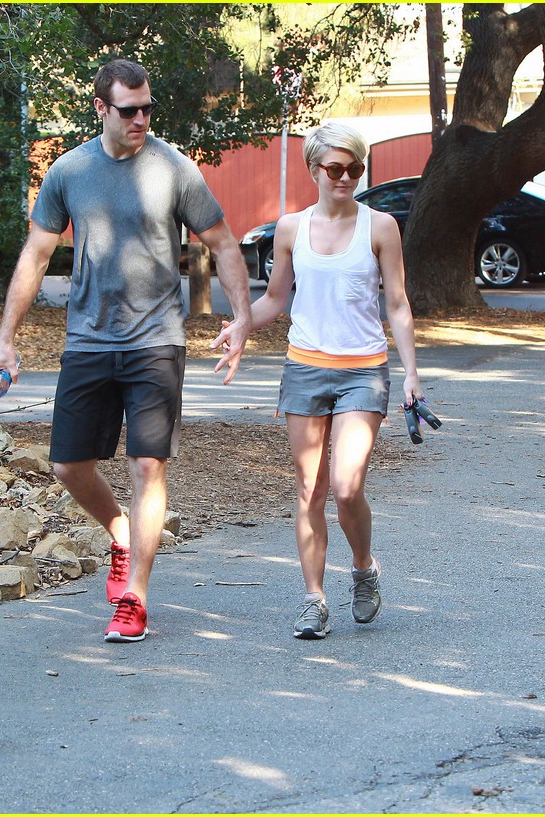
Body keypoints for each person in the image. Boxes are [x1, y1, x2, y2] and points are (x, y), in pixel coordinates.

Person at [0, 58, 251, 644]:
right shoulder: (68, 171)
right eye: (128, 109)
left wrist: (241, 317)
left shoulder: (175, 169)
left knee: (146, 464)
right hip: (88, 339)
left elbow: (224, 243)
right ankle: (120, 530)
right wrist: (5, 340)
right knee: (68, 464)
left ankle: (136, 596)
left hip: (157, 340)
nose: (140, 119)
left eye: (147, 108)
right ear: (101, 108)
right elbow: (35, 256)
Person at [232, 122, 423, 639]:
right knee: (309, 489)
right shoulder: (291, 228)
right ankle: (314, 599)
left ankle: (363, 568)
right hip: (304, 367)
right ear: (314, 170)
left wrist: (410, 373)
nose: (345, 178)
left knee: (345, 486)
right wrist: (240, 325)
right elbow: (276, 297)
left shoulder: (380, 227)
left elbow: (398, 303)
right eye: (335, 168)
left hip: (363, 369)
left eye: (354, 169)